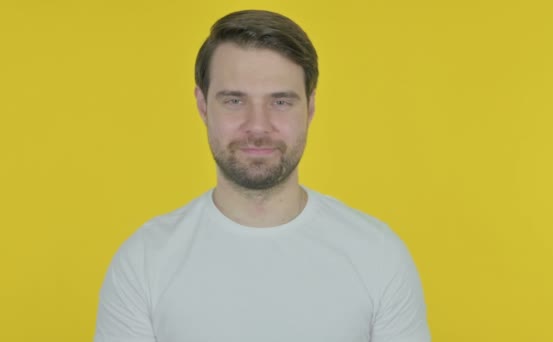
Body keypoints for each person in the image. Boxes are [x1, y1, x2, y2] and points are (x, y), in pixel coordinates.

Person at [94, 9, 431, 342]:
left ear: (310, 107)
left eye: (281, 102)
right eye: (234, 100)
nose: (257, 125)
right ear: (202, 104)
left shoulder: (378, 256)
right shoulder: (143, 262)